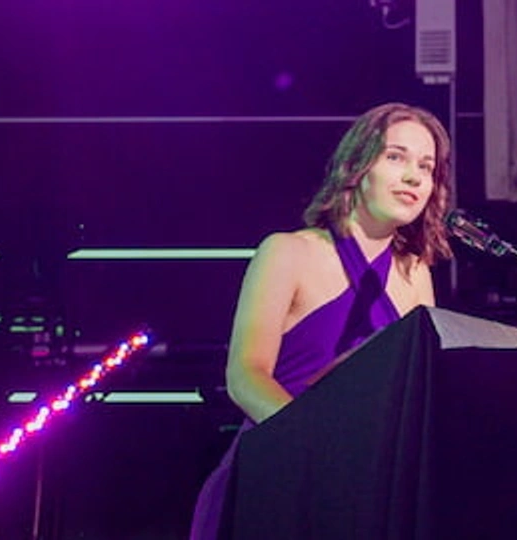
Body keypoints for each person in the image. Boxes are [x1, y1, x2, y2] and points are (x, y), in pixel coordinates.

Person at [189, 102, 453, 539]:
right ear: (356, 165)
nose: (413, 176)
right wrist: (317, 449)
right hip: (278, 477)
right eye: (395, 157)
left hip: (362, 495)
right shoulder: (287, 251)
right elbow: (245, 376)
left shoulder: (416, 275)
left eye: (426, 166)